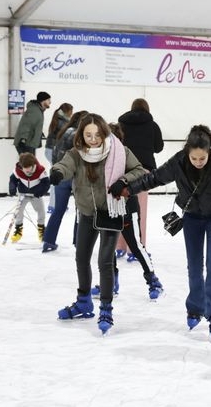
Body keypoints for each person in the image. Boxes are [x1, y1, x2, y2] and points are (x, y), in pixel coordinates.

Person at [126, 125, 211, 342]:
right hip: (191, 217)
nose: (199, 162)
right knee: (194, 265)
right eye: (195, 158)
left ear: (210, 151)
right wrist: (128, 189)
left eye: (203, 158)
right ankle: (195, 308)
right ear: (187, 152)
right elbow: (154, 178)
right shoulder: (179, 161)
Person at [49, 113, 146, 335]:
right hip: (86, 213)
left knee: (105, 261)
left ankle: (106, 308)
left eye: (97, 134)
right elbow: (64, 165)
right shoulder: (76, 154)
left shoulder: (118, 151)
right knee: (81, 257)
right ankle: (83, 302)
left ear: (104, 133)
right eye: (88, 135)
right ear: (81, 136)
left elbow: (139, 170)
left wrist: (122, 181)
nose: (93, 139)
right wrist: (57, 173)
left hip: (111, 212)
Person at [92, 123, 163, 301]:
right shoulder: (96, 156)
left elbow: (140, 172)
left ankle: (153, 281)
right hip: (106, 209)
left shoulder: (125, 153)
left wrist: (123, 181)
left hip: (127, 207)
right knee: (107, 250)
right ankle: (110, 282)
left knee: (136, 246)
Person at [115, 98, 164, 259]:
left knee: (122, 208)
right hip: (144, 170)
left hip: (124, 169)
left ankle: (119, 246)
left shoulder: (121, 124)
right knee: (139, 210)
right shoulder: (152, 125)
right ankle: (136, 249)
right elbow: (158, 147)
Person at [42, 110, 89, 253]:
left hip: (61, 176)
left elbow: (55, 156)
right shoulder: (79, 136)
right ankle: (78, 242)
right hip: (75, 177)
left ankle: (48, 241)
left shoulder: (63, 132)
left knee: (58, 210)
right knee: (80, 211)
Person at [8, 152, 50, 243]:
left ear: (33, 165)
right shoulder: (18, 170)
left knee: (41, 212)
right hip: (23, 194)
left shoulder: (40, 170)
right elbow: (12, 180)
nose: (27, 170)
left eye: (29, 168)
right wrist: (12, 189)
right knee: (18, 212)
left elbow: (46, 184)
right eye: (25, 168)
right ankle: (18, 231)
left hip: (35, 195)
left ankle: (41, 230)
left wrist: (40, 192)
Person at [44, 103, 73, 214]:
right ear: (68, 111)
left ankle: (55, 204)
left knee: (56, 176)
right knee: (56, 177)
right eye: (71, 111)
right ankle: (54, 205)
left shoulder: (58, 118)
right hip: (54, 151)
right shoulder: (63, 122)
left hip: (50, 150)